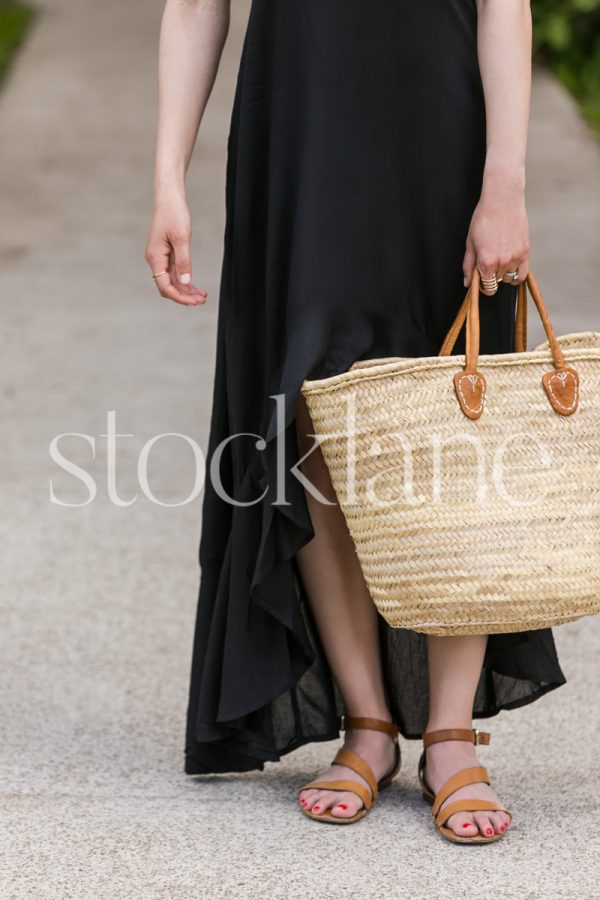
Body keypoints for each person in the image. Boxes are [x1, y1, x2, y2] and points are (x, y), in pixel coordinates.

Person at [145, 0, 566, 843]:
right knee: (312, 422)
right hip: (297, 134)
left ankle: (450, 735)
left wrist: (505, 181)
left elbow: (504, 5)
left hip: (440, 127)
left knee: (454, 423)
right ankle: (367, 722)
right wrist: (166, 178)